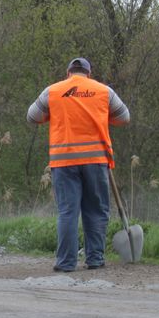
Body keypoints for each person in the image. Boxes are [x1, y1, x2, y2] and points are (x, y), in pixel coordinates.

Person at [27, 57, 131, 272]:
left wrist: (52, 114)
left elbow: (32, 117)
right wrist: (103, 116)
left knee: (68, 212)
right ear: (88, 73)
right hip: (95, 160)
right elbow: (124, 118)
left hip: (63, 160)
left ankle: (65, 263)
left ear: (68, 73)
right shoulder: (104, 91)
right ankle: (95, 259)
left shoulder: (53, 91)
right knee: (96, 211)